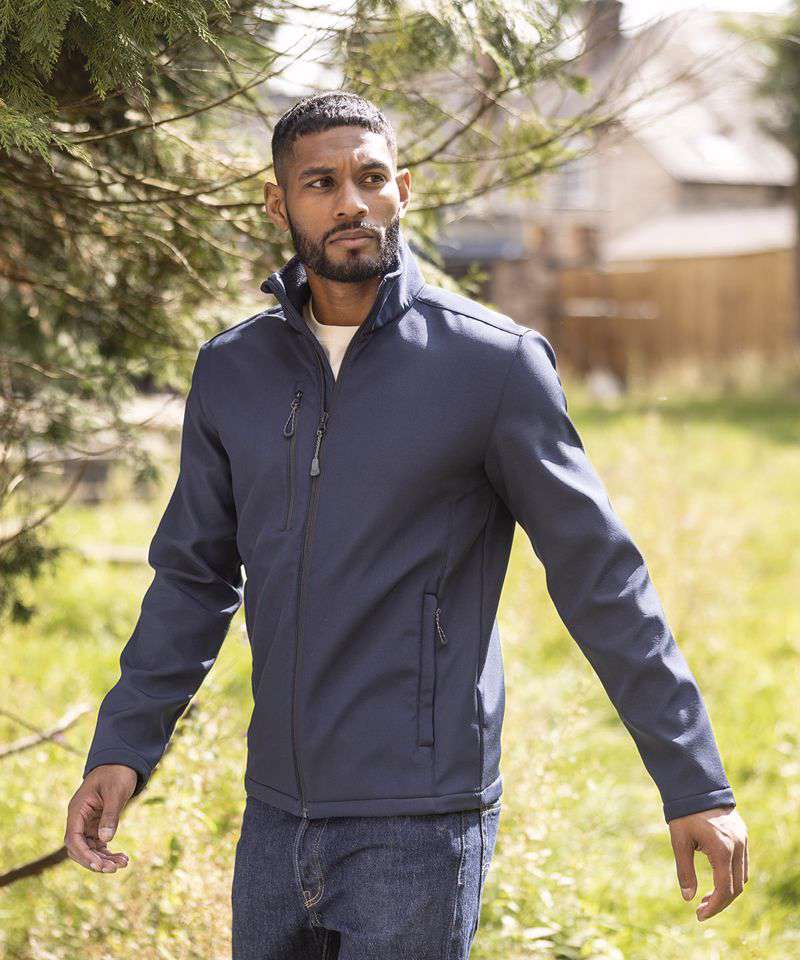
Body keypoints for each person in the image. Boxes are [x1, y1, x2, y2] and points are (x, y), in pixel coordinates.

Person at [65, 91, 749, 957]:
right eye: (321, 183)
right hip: (274, 812)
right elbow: (193, 579)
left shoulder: (492, 365)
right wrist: (124, 746)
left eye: (372, 177)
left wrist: (695, 781)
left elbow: (600, 576)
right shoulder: (233, 369)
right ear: (278, 204)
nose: (351, 201)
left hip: (419, 822)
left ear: (404, 190)